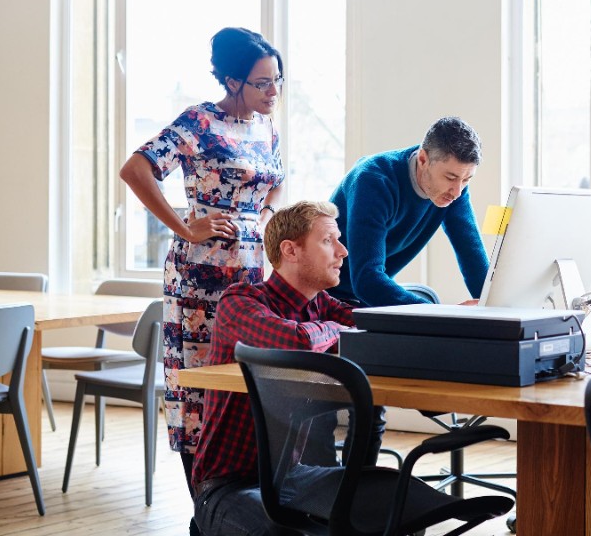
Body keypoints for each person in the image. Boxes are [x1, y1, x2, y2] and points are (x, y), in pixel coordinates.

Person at [119, 26, 285, 496]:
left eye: (277, 80)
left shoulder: (266, 127)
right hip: (199, 276)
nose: (273, 92)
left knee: (242, 379)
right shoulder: (200, 122)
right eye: (262, 83)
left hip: (252, 270)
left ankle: (239, 501)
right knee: (197, 387)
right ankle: (204, 504)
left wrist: (264, 217)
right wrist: (185, 227)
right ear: (232, 81)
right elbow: (136, 169)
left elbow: (276, 181)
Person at [191, 200, 365, 535]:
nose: (342, 251)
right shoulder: (240, 301)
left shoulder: (321, 305)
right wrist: (336, 329)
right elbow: (294, 342)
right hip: (227, 487)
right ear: (290, 250)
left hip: (289, 477)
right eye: (328, 240)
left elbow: (374, 328)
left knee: (390, 499)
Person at [329, 116, 489, 306]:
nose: (457, 192)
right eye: (450, 177)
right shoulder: (373, 181)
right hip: (326, 298)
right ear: (423, 159)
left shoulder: (455, 190)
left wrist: (495, 307)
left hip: (367, 300)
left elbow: (472, 257)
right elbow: (367, 280)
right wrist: (441, 315)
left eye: (467, 179)